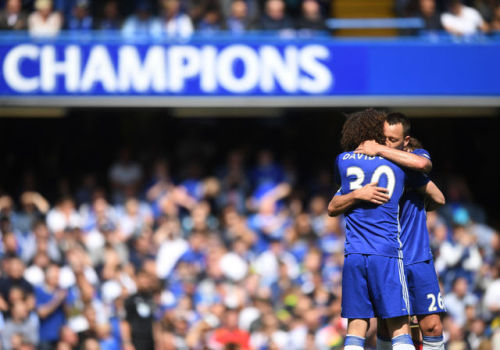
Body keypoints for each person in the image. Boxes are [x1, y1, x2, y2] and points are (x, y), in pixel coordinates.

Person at [327, 109, 431, 350]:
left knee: (356, 327)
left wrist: (356, 194)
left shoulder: (343, 160)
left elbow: (332, 206)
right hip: (387, 253)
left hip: (354, 255)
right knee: (399, 327)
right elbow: (428, 175)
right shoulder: (399, 164)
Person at [351, 113, 446, 350]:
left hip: (417, 256)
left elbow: (434, 189)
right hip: (387, 257)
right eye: (382, 139)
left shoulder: (415, 156)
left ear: (406, 140)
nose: (385, 143)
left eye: (393, 140)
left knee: (432, 325)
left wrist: (381, 152)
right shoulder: (369, 166)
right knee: (388, 326)